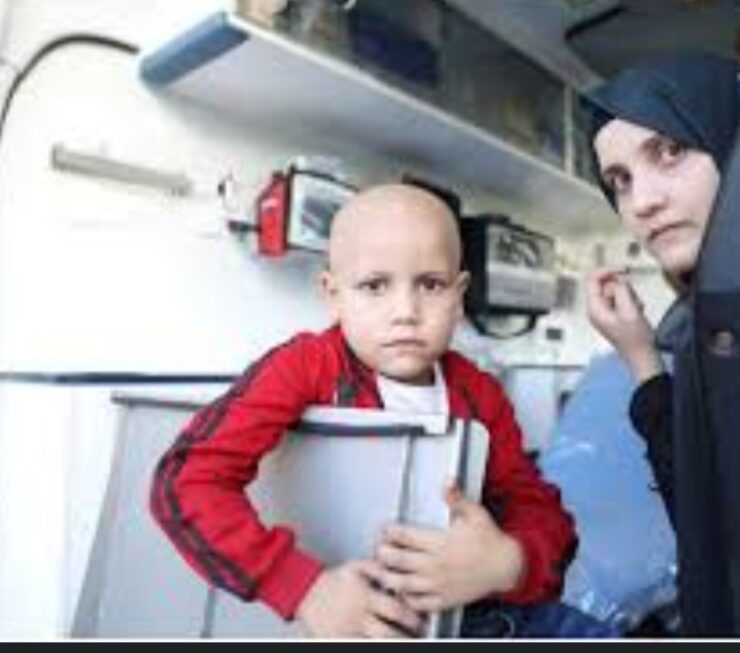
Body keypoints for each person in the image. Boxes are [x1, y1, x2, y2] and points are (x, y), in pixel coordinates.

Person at [150, 183, 577, 638]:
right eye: (375, 286)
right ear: (333, 295)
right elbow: (185, 481)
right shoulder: (305, 367)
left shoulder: (480, 393)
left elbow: (539, 512)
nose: (406, 311)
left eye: (431, 285)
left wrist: (508, 564)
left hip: (470, 621)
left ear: (459, 295)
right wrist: (302, 588)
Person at [583, 50, 740, 635]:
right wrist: (642, 356)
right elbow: (707, 516)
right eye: (619, 181)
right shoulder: (703, 327)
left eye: (669, 151)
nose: (642, 202)